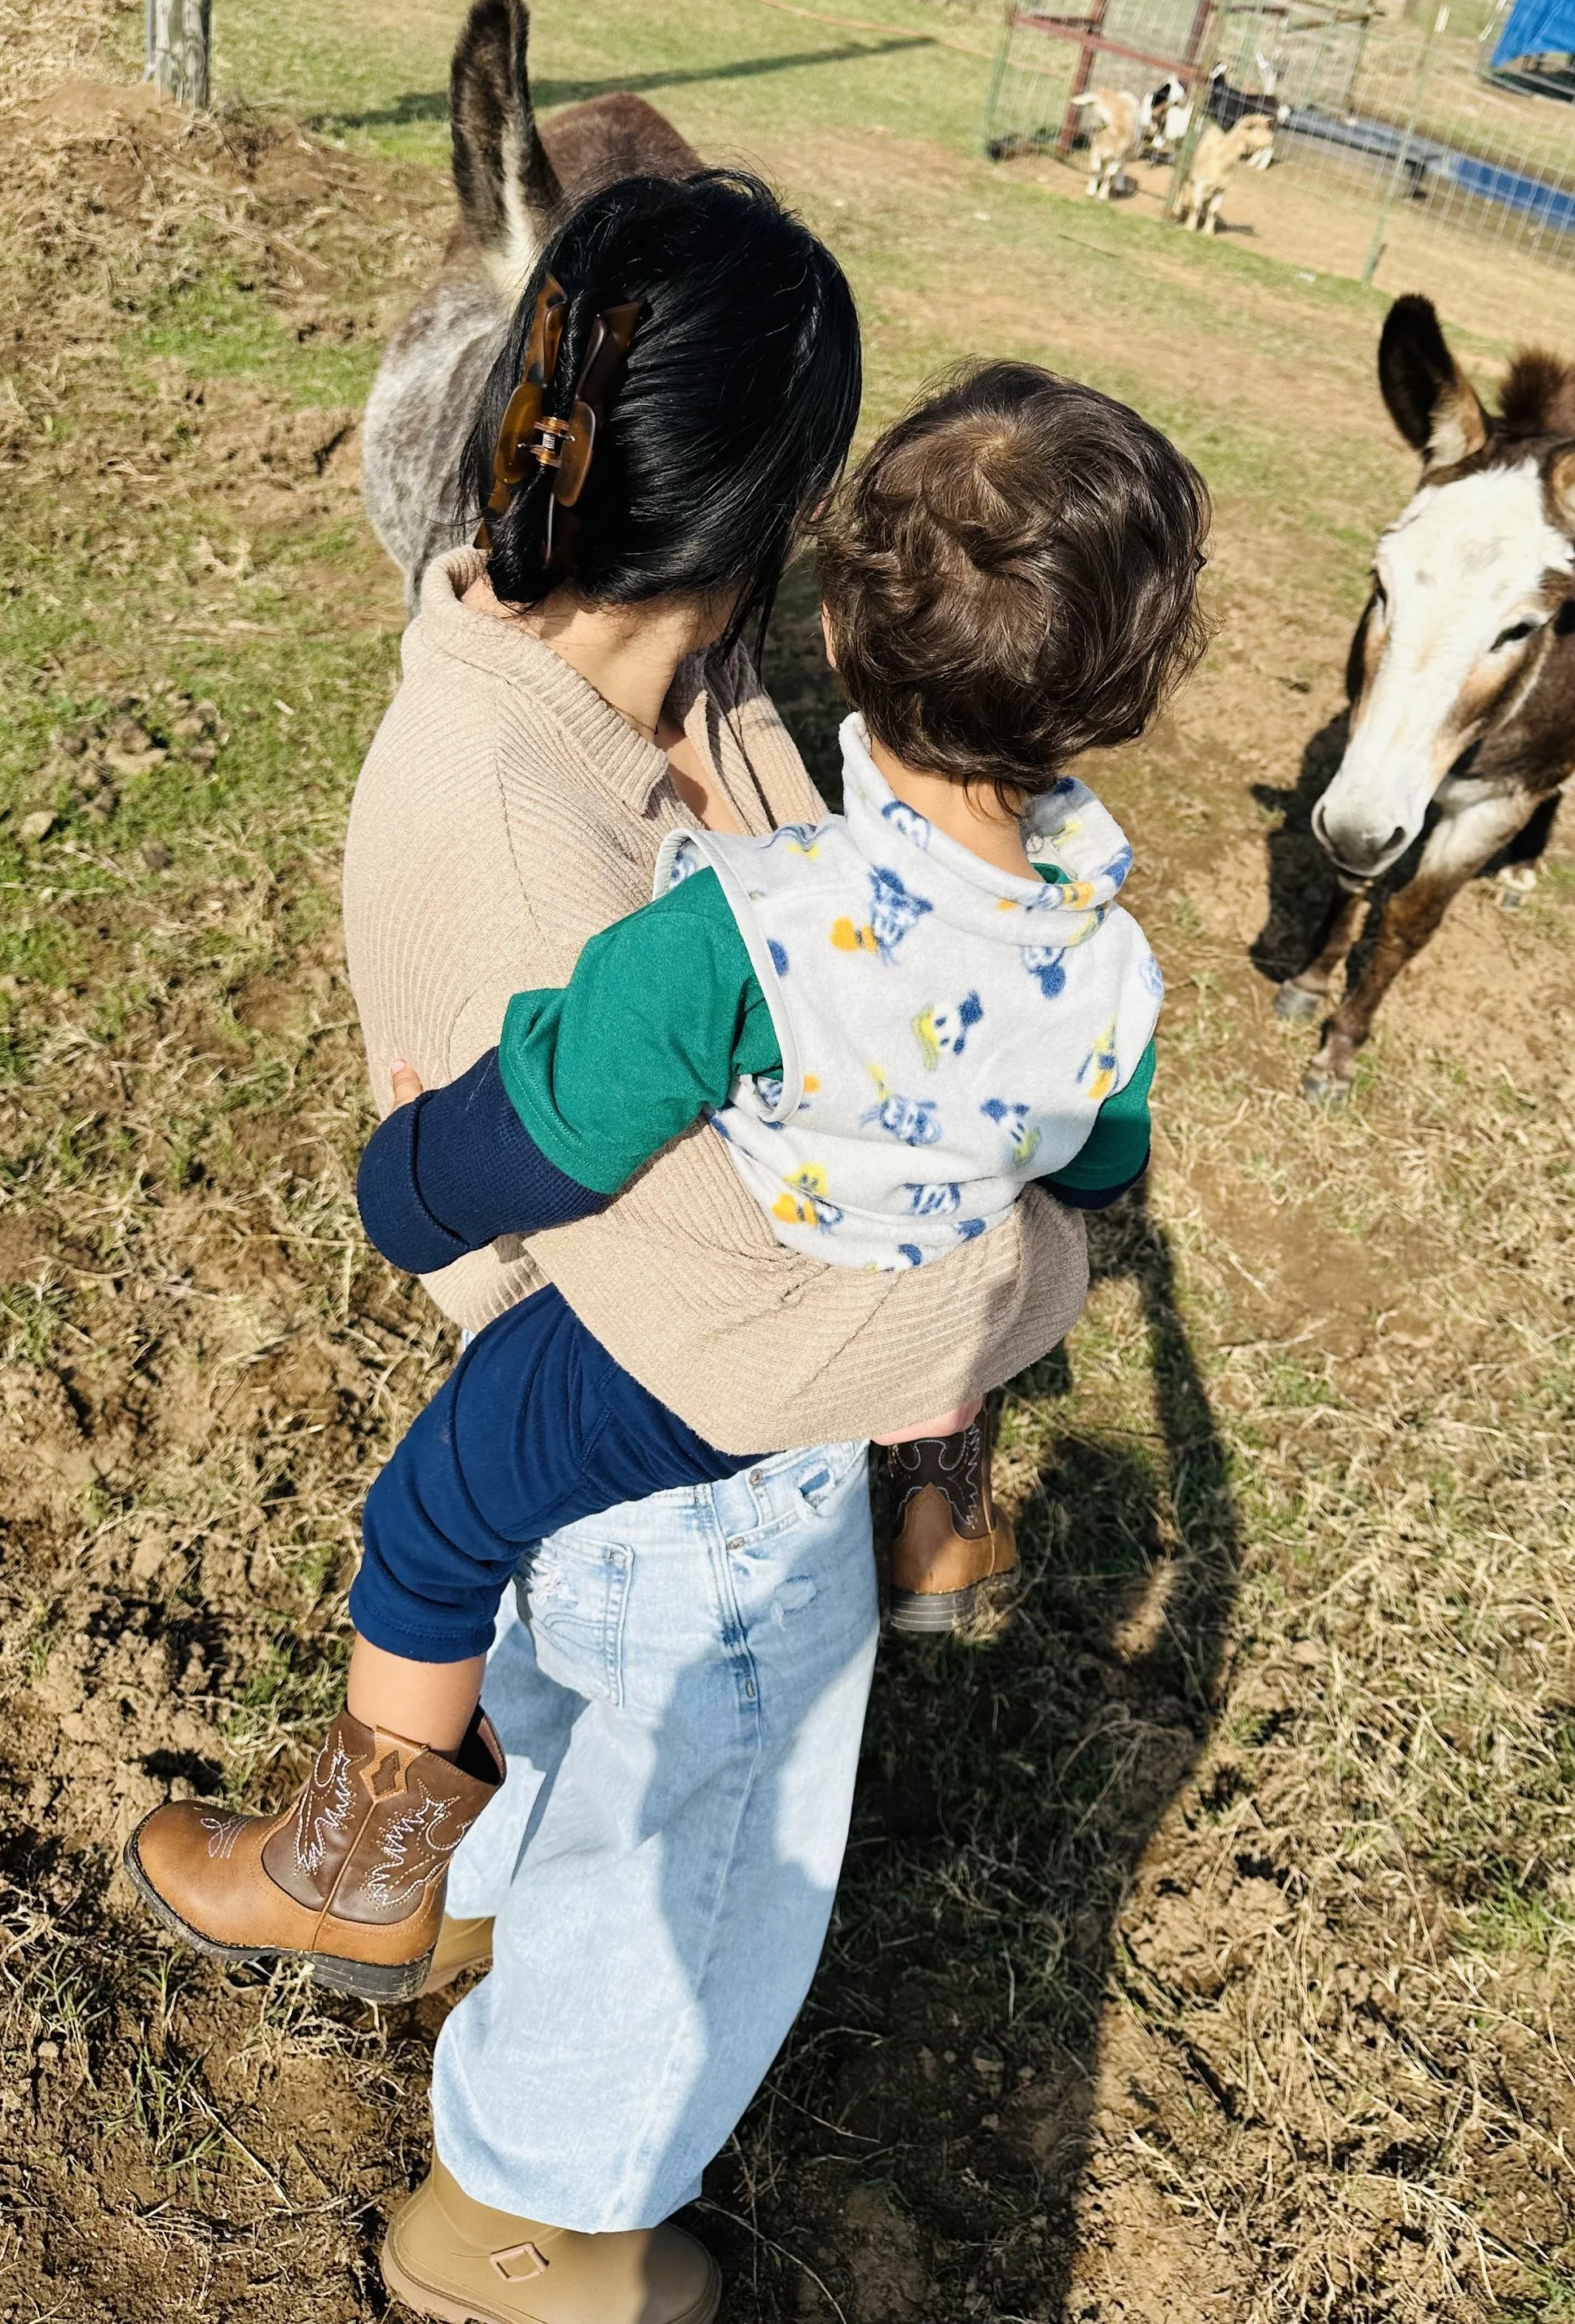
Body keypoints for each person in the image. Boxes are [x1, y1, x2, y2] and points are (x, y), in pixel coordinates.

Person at [117, 168, 1099, 2324]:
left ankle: (458, 1885)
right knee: (707, 1827)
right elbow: (740, 1330)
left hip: (595, 1410)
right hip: (696, 1463)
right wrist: (1035, 1273)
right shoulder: (504, 813)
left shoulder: (665, 684)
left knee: (584, 1710)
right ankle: (531, 2212)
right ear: (778, 502)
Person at [315, 354, 1207, 1786]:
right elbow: (1101, 1164)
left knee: (442, 1505)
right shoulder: (1114, 972)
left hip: (699, 1355)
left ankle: (353, 1861)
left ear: (841, 641)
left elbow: (556, 1125)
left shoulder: (747, 922)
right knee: (952, 1179)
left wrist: (408, 1185)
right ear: (1116, 696)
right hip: (925, 1303)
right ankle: (937, 1514)